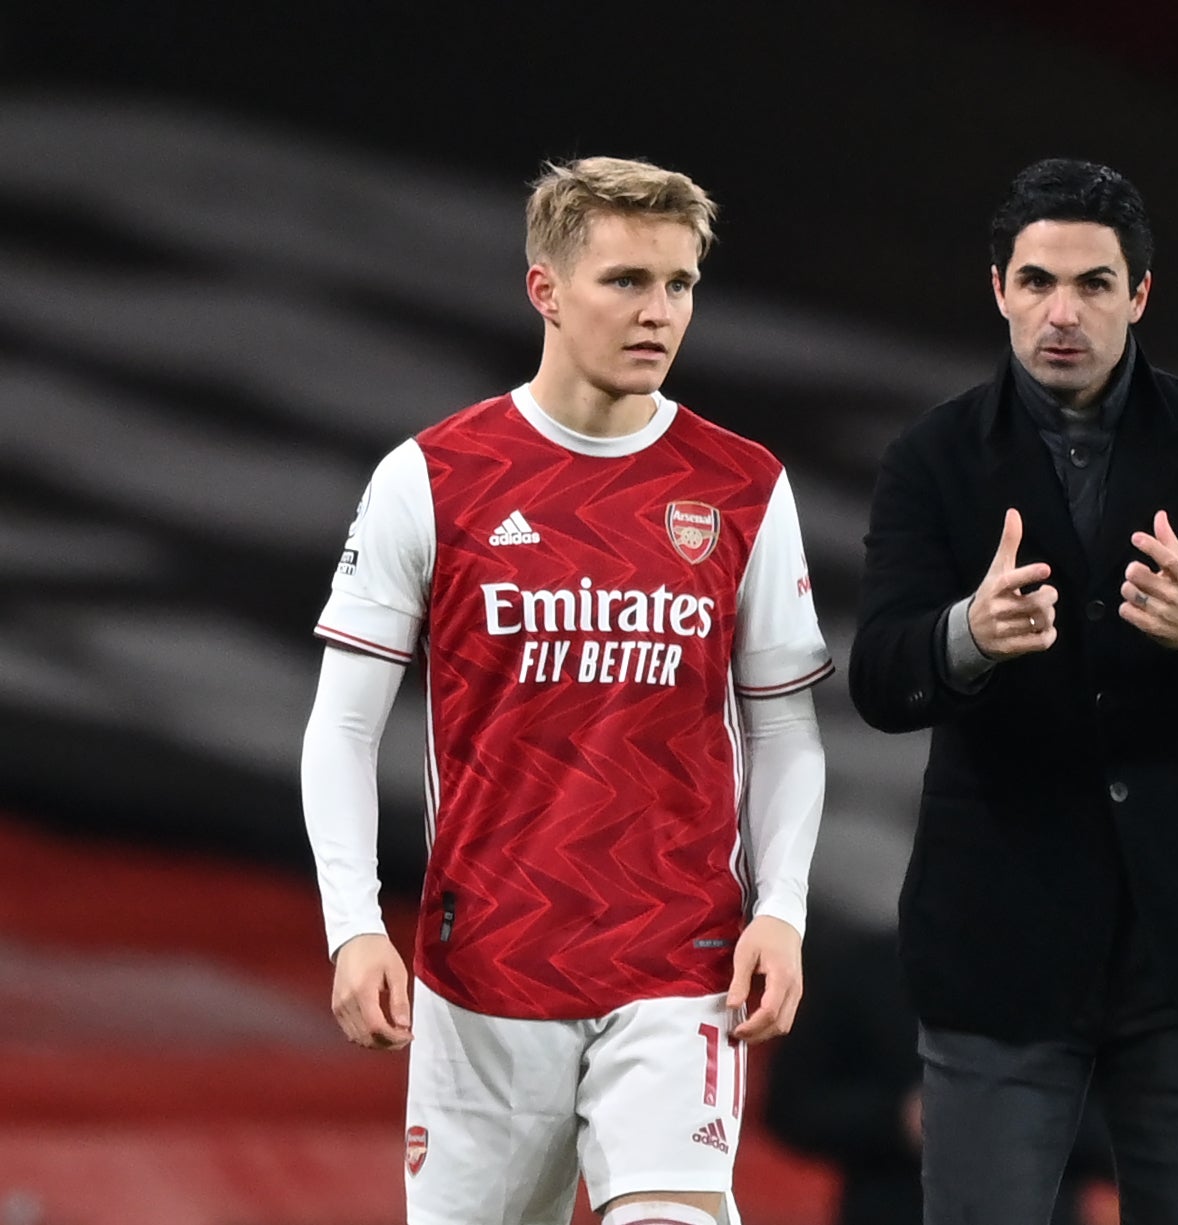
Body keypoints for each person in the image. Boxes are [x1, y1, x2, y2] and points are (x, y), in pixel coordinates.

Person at [299, 156, 832, 1225]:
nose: (659, 312)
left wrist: (781, 910)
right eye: (626, 280)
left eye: (680, 284)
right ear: (545, 289)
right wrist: (351, 924)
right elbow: (344, 727)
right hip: (486, 968)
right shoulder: (433, 477)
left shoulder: (740, 487)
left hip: (677, 956)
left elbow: (783, 723)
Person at [847, 158, 1178, 1225]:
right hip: (1002, 948)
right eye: (1035, 282)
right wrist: (965, 638)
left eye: (1089, 283)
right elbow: (881, 678)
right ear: (997, 289)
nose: (1059, 313)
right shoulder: (931, 458)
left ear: (1139, 294)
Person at [763, 914, 1113, 1225]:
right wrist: (899, 1118)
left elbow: (1137, 1135)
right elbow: (790, 1107)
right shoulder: (866, 968)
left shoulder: (1085, 991)